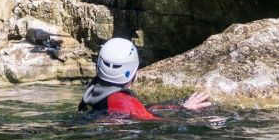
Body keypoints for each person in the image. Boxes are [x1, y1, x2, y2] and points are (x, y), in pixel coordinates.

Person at [78, 37, 211, 120]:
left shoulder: (93, 89)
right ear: (133, 73)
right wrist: (197, 119)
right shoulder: (123, 101)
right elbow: (157, 122)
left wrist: (180, 107)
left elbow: (145, 109)